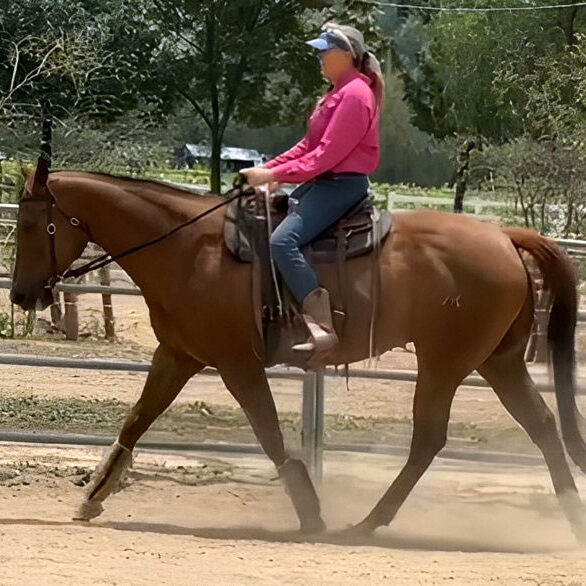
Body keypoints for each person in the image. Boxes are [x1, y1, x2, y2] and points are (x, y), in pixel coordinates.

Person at [240, 22, 384, 359]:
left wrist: (274, 174)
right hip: (323, 183)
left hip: (340, 187)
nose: (319, 56)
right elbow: (307, 146)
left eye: (325, 50)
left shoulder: (355, 96)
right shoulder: (336, 93)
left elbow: (324, 156)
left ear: (347, 55)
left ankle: (323, 327)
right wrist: (270, 169)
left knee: (283, 241)